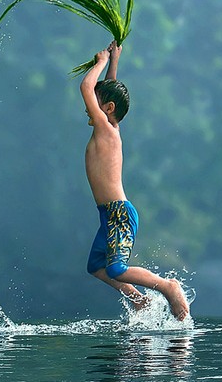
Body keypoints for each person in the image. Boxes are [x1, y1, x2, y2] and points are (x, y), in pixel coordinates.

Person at [81, 41, 190, 319]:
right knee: (97, 266)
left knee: (116, 268)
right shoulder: (110, 126)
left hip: (119, 213)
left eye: (96, 103)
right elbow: (109, 91)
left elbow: (85, 88)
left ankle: (168, 287)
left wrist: (100, 62)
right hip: (108, 215)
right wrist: (115, 61)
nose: (88, 108)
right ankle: (140, 301)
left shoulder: (106, 128)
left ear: (107, 108)